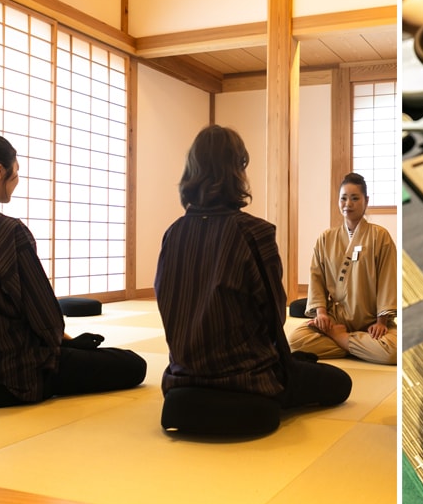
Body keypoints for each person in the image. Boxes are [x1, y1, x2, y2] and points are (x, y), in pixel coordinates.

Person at [154, 125, 352, 436]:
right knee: (341, 383)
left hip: (183, 375)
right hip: (248, 377)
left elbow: (167, 304)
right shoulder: (254, 232)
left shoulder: (173, 232)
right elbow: (273, 315)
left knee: (307, 359)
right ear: (238, 169)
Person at [0, 131, 147, 409]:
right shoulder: (6, 231)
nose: (17, 180)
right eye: (16, 171)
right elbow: (46, 320)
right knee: (133, 364)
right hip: (13, 374)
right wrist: (65, 342)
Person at [289, 173, 397, 365]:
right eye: (344, 198)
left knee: (393, 352)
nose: (349, 203)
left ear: (366, 201)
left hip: (371, 321)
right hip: (336, 317)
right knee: (296, 341)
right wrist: (321, 313)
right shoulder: (326, 238)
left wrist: (381, 322)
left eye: (355, 198)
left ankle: (340, 338)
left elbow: (388, 280)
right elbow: (316, 278)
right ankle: (359, 346)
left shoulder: (380, 236)